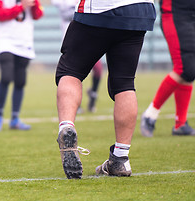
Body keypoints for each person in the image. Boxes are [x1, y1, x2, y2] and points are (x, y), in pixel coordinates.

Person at [55, 0, 156, 179]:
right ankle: (120, 158)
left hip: (100, 10)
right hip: (139, 10)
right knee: (124, 84)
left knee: (70, 71)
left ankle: (66, 127)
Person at [141, 0, 195, 137]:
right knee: (184, 68)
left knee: (190, 69)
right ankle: (150, 114)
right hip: (176, 14)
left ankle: (181, 124)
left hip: (189, 13)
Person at [0, 0, 44, 132]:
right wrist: (19, 7)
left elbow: (38, 15)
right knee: (6, 77)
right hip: (5, 40)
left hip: (24, 41)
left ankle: (15, 119)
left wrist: (34, 4)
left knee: (20, 81)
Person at [51, 0, 103, 113]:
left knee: (98, 70)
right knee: (74, 73)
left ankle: (93, 95)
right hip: (72, 39)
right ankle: (75, 104)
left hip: (89, 38)